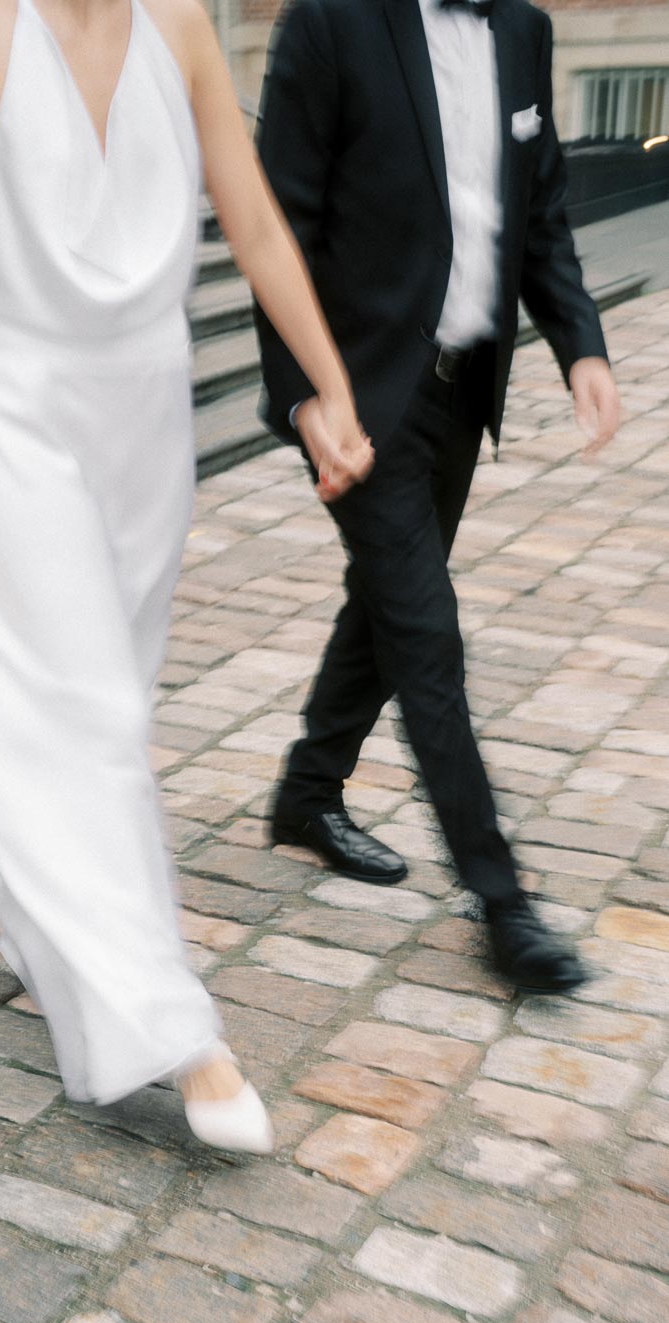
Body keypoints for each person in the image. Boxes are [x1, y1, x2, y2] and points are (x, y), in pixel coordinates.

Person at [0, 0, 374, 1153]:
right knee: (84, 713)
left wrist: (329, 386)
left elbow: (255, 220)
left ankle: (44, 929)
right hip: (21, 417)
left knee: (104, 703)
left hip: (146, 424)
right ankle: (177, 1033)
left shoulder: (182, 23)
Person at [254, 0, 621, 991]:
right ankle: (503, 904)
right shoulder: (328, 22)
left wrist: (581, 345)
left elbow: (538, 212)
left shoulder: (523, 30)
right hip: (360, 393)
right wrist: (305, 396)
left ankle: (308, 791)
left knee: (386, 606)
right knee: (426, 634)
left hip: (462, 392)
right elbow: (276, 226)